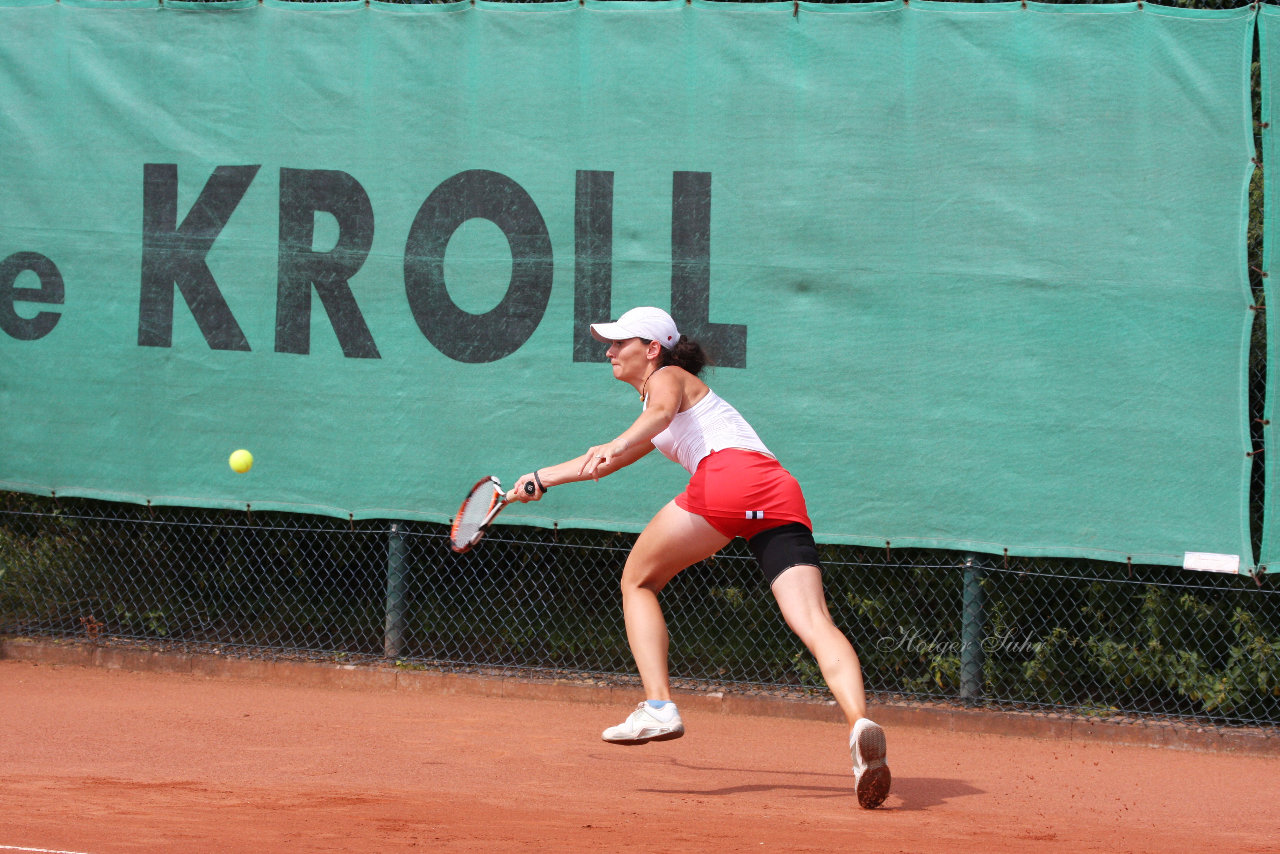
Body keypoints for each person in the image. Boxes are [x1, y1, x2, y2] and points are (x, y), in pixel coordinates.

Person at [507, 306, 891, 810]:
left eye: (620, 342)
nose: (608, 351)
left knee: (637, 581)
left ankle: (659, 706)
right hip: (778, 490)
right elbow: (612, 458)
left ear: (652, 349)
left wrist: (617, 440)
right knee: (815, 621)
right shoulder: (660, 409)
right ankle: (861, 727)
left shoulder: (668, 377)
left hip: (728, 481)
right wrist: (541, 478)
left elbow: (655, 418)